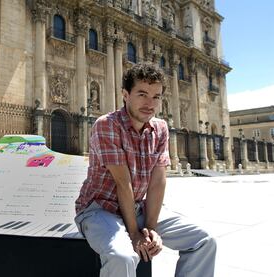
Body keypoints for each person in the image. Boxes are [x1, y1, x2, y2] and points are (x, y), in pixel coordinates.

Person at [75, 62, 216, 277]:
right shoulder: (107, 124)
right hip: (100, 209)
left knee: (204, 241)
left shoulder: (160, 128)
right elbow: (123, 183)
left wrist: (150, 229)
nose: (150, 103)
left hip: (139, 208)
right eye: (142, 94)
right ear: (125, 94)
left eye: (156, 97)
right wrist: (134, 234)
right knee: (123, 257)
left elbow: (158, 181)